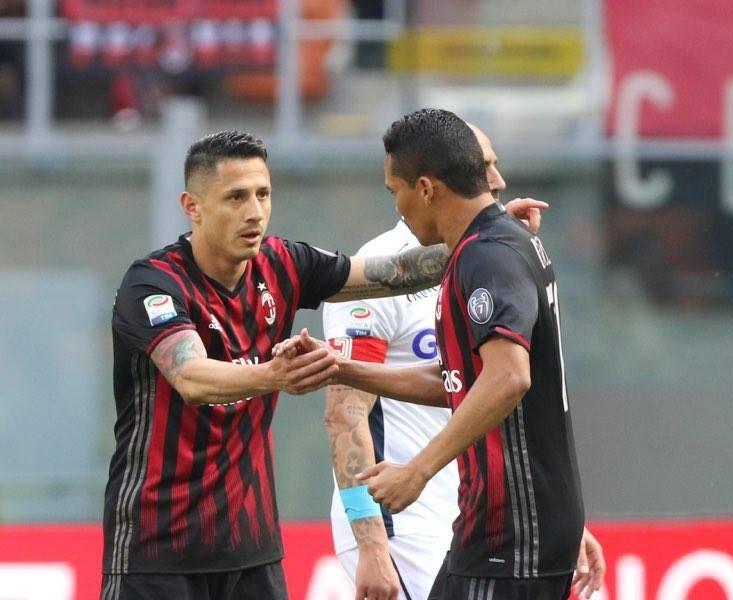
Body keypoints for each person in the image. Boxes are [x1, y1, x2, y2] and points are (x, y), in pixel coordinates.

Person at [101, 129, 543, 600]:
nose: (254, 212)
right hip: (157, 550)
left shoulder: (281, 263)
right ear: (192, 206)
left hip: (250, 550)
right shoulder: (152, 285)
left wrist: (487, 232)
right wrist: (272, 375)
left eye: (263, 194)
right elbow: (191, 377)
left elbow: (394, 273)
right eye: (236, 197)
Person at [278, 109, 588, 600]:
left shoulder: (490, 255)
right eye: (485, 166)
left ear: (425, 187)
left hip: (502, 526)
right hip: (452, 520)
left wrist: (418, 470)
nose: (497, 181)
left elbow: (509, 378)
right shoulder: (483, 251)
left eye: (394, 190)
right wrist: (341, 368)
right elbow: (454, 380)